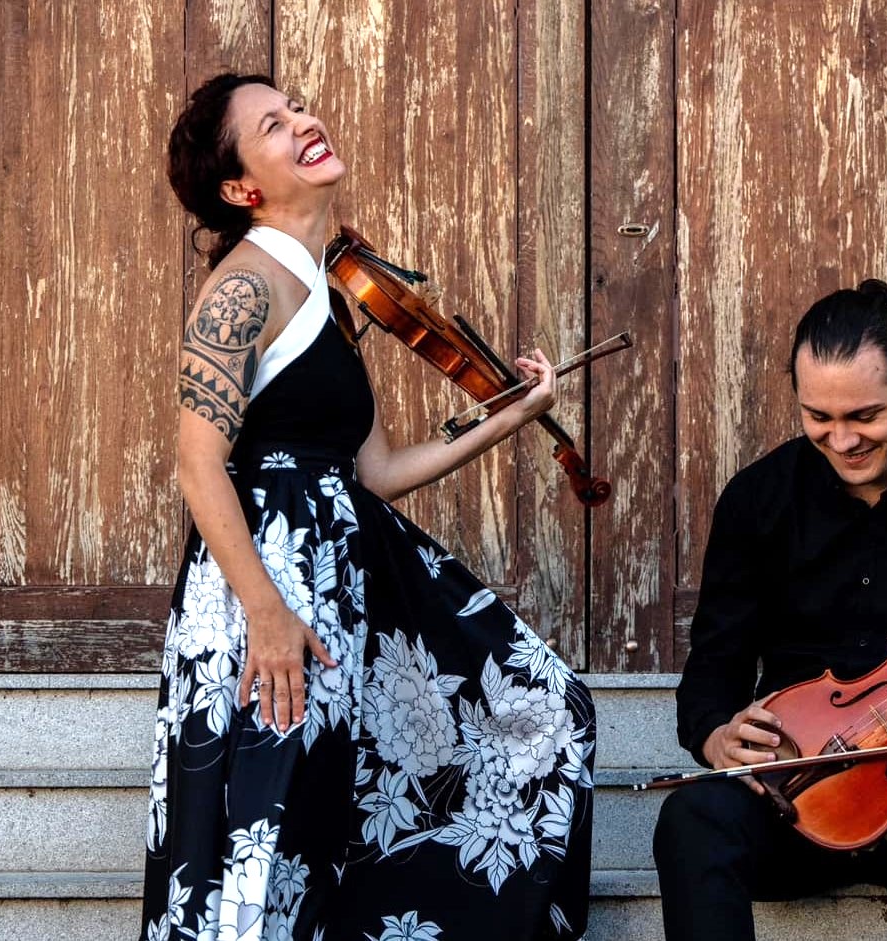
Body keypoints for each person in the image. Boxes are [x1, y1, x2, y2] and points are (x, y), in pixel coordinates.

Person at [140, 73, 595, 941]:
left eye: (296, 107)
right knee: (263, 838)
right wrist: (267, 615)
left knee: (540, 710)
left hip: (338, 584)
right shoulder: (244, 288)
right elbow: (199, 464)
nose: (303, 122)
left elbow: (377, 472)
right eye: (272, 126)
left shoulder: (331, 293)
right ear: (240, 188)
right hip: (265, 596)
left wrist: (512, 414)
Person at [653, 279, 887, 941]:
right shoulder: (757, 498)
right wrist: (718, 737)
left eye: (864, 416)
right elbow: (715, 667)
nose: (840, 439)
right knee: (691, 818)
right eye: (818, 417)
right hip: (795, 799)